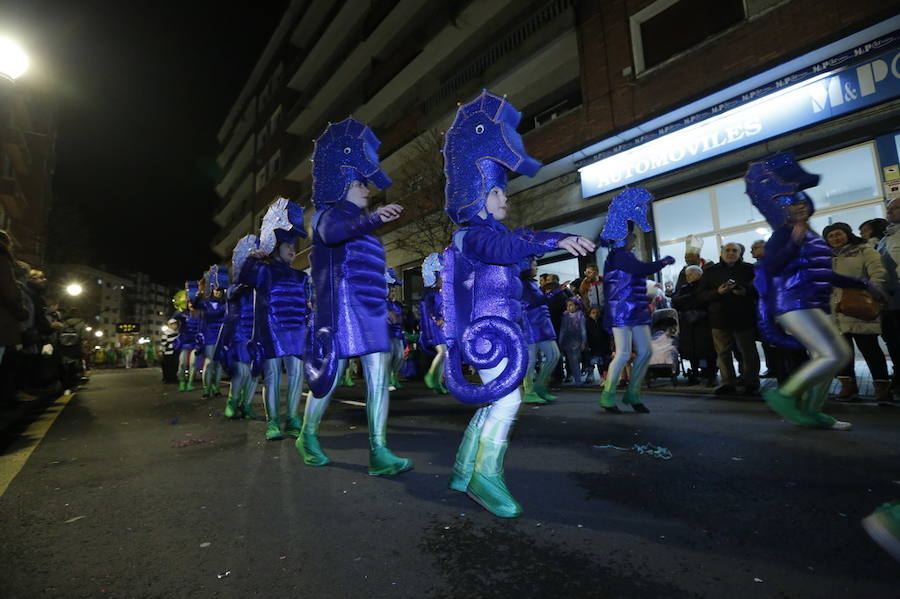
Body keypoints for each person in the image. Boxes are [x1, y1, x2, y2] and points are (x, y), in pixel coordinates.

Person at [439, 90, 595, 518]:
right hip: (487, 333)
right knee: (507, 401)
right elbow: (502, 246)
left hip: (499, 331)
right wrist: (553, 238)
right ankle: (485, 477)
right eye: (497, 193)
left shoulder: (480, 232)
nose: (505, 200)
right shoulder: (470, 233)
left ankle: (463, 469)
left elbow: (509, 260)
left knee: (496, 399)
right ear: (477, 193)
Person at [297, 117, 412, 476]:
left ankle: (379, 450)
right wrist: (372, 219)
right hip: (340, 309)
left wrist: (387, 307)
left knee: (379, 373)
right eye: (362, 183)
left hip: (370, 307)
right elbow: (333, 235)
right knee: (330, 375)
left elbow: (370, 269)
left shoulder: (365, 224)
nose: (368, 189)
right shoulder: (325, 215)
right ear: (344, 183)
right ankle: (307, 435)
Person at [749, 152, 877, 431]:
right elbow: (771, 266)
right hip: (793, 303)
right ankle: (785, 395)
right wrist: (793, 240)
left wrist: (863, 284)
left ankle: (812, 411)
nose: (800, 208)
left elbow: (823, 273)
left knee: (837, 355)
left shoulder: (810, 235)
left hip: (811, 303)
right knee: (831, 355)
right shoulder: (784, 234)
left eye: (802, 203)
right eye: (793, 204)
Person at [598, 188, 675, 413]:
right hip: (622, 311)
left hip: (635, 310)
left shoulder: (623, 255)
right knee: (623, 353)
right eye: (630, 235)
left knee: (646, 351)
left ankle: (633, 393)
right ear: (622, 237)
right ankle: (608, 395)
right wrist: (662, 262)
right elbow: (639, 269)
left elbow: (637, 270)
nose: (633, 238)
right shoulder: (618, 256)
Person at [242, 198, 310, 440]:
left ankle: (292, 418)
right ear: (276, 246)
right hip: (271, 330)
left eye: (294, 245)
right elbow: (245, 279)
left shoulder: (301, 277)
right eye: (288, 245)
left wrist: (308, 324)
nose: (293, 249)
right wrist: (252, 258)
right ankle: (273, 423)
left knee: (297, 376)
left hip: (297, 331)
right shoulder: (264, 270)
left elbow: (306, 305)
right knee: (271, 376)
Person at [823, 222, 890, 403]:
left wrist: (871, 292)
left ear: (847, 234)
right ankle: (848, 386)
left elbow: (878, 273)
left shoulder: (863, 250)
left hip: (858, 306)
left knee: (870, 350)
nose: (835, 238)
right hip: (835, 310)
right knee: (842, 351)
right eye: (831, 236)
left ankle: (882, 387)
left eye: (839, 234)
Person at [698, 241, 760, 394]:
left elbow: (759, 289)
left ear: (740, 254)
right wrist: (717, 292)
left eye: (734, 250)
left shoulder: (750, 269)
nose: (730, 253)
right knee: (723, 353)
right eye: (728, 250)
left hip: (744, 317)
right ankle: (728, 383)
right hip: (719, 318)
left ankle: (751, 382)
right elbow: (700, 295)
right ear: (721, 253)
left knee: (748, 352)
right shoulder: (710, 271)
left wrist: (745, 291)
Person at [218, 235, 261, 420]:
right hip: (241, 333)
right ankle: (232, 401)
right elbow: (232, 295)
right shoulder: (236, 286)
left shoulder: (262, 284)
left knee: (255, 372)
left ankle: (247, 405)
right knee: (242, 371)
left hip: (258, 332)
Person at [520, 257, 561, 402]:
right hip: (531, 325)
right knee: (531, 360)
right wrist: (553, 293)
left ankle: (539, 386)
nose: (536, 268)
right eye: (534, 265)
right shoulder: (523, 284)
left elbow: (537, 301)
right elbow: (532, 302)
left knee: (554, 355)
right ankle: (529, 390)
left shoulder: (531, 284)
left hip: (542, 324)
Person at [671, 265, 717, 386]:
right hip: (687, 324)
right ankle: (694, 374)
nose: (688, 276)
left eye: (691, 274)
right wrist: (692, 299)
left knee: (707, 349)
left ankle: (710, 374)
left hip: (703, 323)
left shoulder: (705, 287)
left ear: (699, 274)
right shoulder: (684, 288)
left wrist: (689, 301)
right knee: (691, 350)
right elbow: (675, 302)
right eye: (687, 274)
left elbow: (703, 301)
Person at [877, 198, 900, 393]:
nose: (890, 212)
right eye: (889, 209)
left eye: (895, 208)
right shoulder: (886, 238)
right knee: (894, 341)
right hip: (890, 300)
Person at [196, 267, 228, 399]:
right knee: (209, 362)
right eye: (216, 289)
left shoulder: (226, 304)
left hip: (221, 334)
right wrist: (199, 292)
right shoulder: (205, 303)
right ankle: (206, 389)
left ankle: (216, 388)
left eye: (220, 290)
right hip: (209, 334)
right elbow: (196, 304)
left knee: (218, 363)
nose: (218, 292)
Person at [420, 253, 448, 395]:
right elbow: (427, 312)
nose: (444, 278)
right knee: (442, 352)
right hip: (434, 327)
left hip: (442, 327)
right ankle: (431, 376)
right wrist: (437, 321)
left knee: (445, 354)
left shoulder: (441, 293)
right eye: (441, 274)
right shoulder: (428, 294)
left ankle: (437, 383)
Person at [385, 269, 405, 391]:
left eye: (394, 290)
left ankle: (394, 378)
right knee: (388, 359)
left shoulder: (396, 305)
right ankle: (387, 381)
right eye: (391, 290)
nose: (393, 292)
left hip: (397, 335)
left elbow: (399, 320)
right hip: (386, 335)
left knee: (399, 357)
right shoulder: (381, 304)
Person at [559, 298, 587, 385]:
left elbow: (583, 330)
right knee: (571, 360)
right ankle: (576, 378)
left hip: (577, 340)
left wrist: (584, 341)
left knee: (576, 359)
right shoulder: (565, 315)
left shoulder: (580, 315)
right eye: (567, 305)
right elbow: (562, 329)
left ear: (577, 306)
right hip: (567, 340)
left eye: (571, 305)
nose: (569, 307)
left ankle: (578, 378)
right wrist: (560, 341)